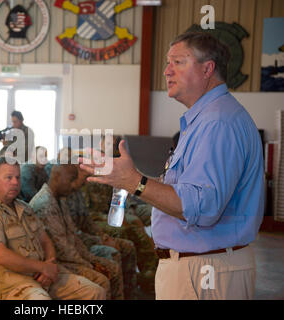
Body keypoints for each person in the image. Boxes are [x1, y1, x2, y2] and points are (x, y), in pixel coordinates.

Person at [80, 32, 265, 300]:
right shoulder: (206, 120)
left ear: (207, 68)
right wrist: (134, 179)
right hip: (201, 267)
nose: (167, 71)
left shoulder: (217, 123)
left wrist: (135, 182)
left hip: (204, 271)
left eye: (177, 62)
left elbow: (203, 208)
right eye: (168, 63)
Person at [0, 157, 105, 300]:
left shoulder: (25, 208)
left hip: (44, 276)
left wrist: (49, 265)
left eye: (17, 177)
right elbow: (1, 256)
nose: (15, 182)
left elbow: (46, 241)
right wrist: (42, 267)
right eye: (8, 178)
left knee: (95, 292)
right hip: (17, 285)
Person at [30, 164, 124, 300]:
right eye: (71, 180)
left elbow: (73, 237)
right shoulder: (44, 204)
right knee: (101, 280)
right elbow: (63, 249)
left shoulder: (60, 200)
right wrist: (90, 265)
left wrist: (91, 260)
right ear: (57, 177)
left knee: (112, 268)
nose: (73, 185)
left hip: (71, 258)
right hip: (59, 263)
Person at [67, 166, 141, 299]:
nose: (86, 176)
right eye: (83, 173)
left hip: (87, 237)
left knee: (128, 246)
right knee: (113, 254)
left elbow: (88, 222)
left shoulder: (77, 192)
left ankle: (131, 293)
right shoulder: (64, 196)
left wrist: (104, 237)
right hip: (80, 244)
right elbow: (74, 235)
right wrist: (100, 240)